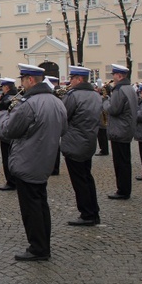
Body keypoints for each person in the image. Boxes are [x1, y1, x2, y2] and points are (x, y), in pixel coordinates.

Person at [0, 64, 67, 261]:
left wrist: (1, 115)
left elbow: (9, 131)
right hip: (44, 160)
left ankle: (38, 248)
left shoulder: (29, 104)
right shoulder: (57, 102)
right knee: (40, 203)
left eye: (23, 80)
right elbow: (63, 129)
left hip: (28, 160)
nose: (21, 84)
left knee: (31, 208)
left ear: (30, 80)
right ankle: (43, 244)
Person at [60, 66, 102, 226]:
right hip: (89, 141)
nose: (70, 81)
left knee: (80, 181)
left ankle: (87, 214)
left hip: (74, 142)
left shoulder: (74, 95)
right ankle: (93, 211)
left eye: (72, 78)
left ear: (79, 79)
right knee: (87, 177)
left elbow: (64, 116)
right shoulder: (95, 95)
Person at [102, 64, 137, 200]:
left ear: (119, 76)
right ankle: (125, 188)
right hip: (126, 128)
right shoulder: (129, 88)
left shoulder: (120, 89)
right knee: (125, 161)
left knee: (120, 163)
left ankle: (122, 190)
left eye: (114, 75)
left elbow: (114, 109)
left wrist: (105, 101)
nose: (113, 78)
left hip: (119, 130)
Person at [0, 77, 18, 191]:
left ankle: (11, 181)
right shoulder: (18, 96)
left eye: (3, 87)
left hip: (6, 131)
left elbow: (0, 109)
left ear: (6, 87)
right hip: (14, 131)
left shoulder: (7, 98)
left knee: (7, 157)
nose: (2, 89)